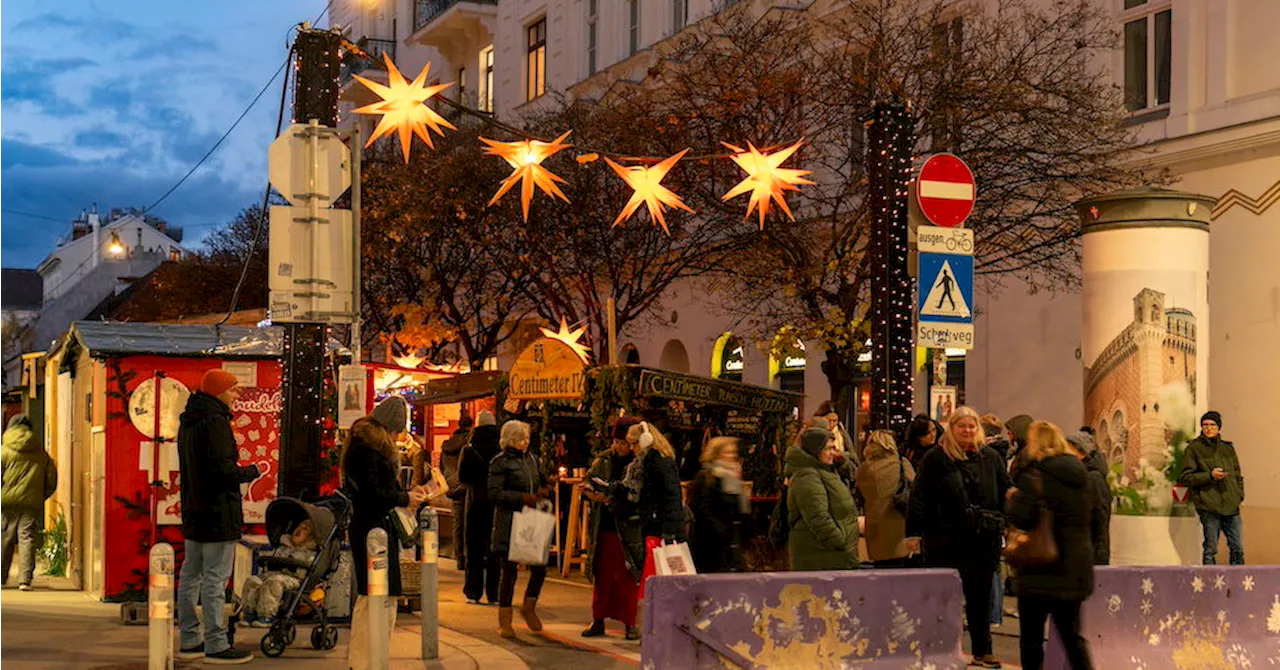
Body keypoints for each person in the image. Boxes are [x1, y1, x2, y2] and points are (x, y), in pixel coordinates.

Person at [906, 406, 1010, 669]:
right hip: (945, 540)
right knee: (942, 597)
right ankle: (941, 649)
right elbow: (919, 497)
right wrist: (913, 533)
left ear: (979, 429)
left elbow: (1005, 490)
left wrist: (1009, 521)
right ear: (952, 429)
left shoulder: (991, 459)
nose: (967, 430)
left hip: (983, 539)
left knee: (981, 598)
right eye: (962, 426)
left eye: (972, 426)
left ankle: (982, 651)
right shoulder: (936, 458)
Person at [176, 369, 261, 664]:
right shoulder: (217, 423)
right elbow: (222, 472)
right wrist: (251, 472)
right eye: (233, 389)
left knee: (190, 576)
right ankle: (216, 643)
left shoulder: (189, 421)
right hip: (218, 512)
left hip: (193, 511)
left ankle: (189, 638)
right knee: (214, 580)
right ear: (219, 391)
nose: (236, 395)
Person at [344, 398, 428, 670]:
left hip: (376, 530)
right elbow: (371, 494)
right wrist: (404, 498)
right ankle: (365, 662)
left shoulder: (367, 446)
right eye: (395, 431)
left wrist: (404, 497)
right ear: (387, 427)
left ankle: (372, 660)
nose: (396, 437)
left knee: (382, 598)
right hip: (372, 531)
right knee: (373, 599)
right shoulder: (367, 448)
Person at [1007, 421, 1095, 670]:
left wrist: (1013, 501)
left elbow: (1023, 518)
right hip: (1075, 567)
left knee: (1032, 639)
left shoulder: (1035, 476)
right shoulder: (1082, 477)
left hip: (1040, 569)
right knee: (1072, 637)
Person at [582, 417, 644, 640]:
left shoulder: (639, 462)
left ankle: (629, 622)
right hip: (606, 526)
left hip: (629, 526)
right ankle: (598, 619)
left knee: (628, 576)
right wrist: (593, 494)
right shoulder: (604, 460)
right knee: (603, 575)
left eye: (624, 442)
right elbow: (588, 482)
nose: (620, 447)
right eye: (617, 442)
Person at [488, 420, 551, 638]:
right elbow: (494, 494)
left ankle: (529, 606)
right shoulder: (500, 462)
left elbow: (541, 480)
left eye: (526, 438)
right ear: (511, 439)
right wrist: (523, 498)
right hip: (510, 522)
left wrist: (545, 489)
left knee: (540, 567)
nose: (525, 442)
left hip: (531, 521)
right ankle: (505, 621)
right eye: (521, 438)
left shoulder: (532, 460)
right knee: (509, 572)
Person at [621, 421, 685, 600]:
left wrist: (669, 532)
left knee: (656, 579)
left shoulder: (657, 463)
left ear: (645, 440)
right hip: (658, 527)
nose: (632, 448)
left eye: (634, 443)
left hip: (660, 530)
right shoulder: (653, 461)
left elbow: (671, 497)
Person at [785, 426, 860, 571]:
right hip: (821, 555)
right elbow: (818, 517)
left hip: (830, 555)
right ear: (815, 450)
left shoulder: (824, 471)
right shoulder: (807, 476)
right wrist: (840, 541)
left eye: (834, 448)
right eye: (828, 449)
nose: (833, 453)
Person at [1179, 411, 1245, 565]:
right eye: (1205, 425)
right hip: (1209, 506)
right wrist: (1210, 475)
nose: (1208, 428)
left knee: (1238, 548)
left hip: (1231, 504)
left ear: (1218, 427)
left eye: (1212, 425)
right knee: (1210, 549)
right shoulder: (1193, 449)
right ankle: (1208, 584)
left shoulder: (1228, 449)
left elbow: (1238, 475)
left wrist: (1239, 495)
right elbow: (1186, 477)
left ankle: (1238, 583)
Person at [0, 414, 56, 591]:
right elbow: (51, 478)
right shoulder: (41, 452)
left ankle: (1, 578)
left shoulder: (3, 450)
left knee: (5, 538)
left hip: (6, 501)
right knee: (27, 538)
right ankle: (25, 580)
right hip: (31, 501)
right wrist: (42, 495)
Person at [688, 436, 750, 574]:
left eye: (733, 452)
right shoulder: (706, 477)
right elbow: (702, 509)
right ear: (716, 454)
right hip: (710, 545)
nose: (732, 456)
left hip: (732, 543)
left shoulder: (734, 478)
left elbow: (740, 509)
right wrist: (722, 531)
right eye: (727, 452)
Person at [855, 430, 916, 568]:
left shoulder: (864, 468)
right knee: (900, 569)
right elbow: (915, 488)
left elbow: (860, 494)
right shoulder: (900, 463)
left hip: (874, 526)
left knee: (881, 568)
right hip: (898, 523)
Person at [242, 519, 319, 627]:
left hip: (294, 578)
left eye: (305, 529)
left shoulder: (309, 553)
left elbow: (304, 571)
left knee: (273, 583)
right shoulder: (283, 546)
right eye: (299, 526)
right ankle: (249, 613)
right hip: (274, 573)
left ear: (311, 536)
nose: (299, 530)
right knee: (253, 581)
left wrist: (292, 561)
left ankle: (266, 615)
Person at [459, 410, 501, 604]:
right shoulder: (501, 449)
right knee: (494, 549)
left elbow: (462, 478)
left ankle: (473, 591)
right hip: (496, 502)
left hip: (475, 501)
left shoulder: (469, 449)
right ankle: (494, 593)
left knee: (474, 547)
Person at [1066, 431, 1111, 565]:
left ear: (1081, 451)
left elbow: (1101, 520)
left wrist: (1100, 556)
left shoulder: (1094, 478)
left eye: (1069, 448)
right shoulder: (1080, 475)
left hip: (1093, 554)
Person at [435, 415, 474, 570]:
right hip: (466, 485)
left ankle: (459, 556)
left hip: (452, 487)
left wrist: (448, 482)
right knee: (469, 521)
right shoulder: (468, 445)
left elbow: (442, 467)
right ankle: (467, 554)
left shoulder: (447, 446)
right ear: (470, 426)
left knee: (457, 522)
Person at [815, 401, 859, 469]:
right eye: (829, 420)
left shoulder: (841, 432)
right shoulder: (816, 433)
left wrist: (841, 454)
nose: (832, 424)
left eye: (835, 421)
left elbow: (853, 454)